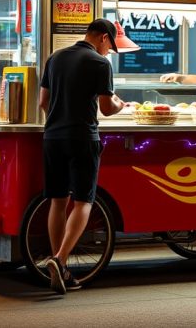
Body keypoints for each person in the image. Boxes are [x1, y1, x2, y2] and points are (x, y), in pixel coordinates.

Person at [38, 18, 125, 295]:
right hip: (82, 138)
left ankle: (59, 268)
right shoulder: (100, 64)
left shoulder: (55, 58)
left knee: (57, 200)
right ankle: (60, 259)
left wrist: (57, 121)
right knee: (83, 201)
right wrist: (121, 104)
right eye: (110, 46)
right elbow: (107, 108)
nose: (109, 52)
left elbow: (43, 101)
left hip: (52, 138)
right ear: (102, 38)